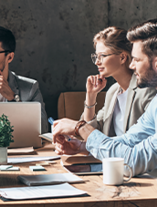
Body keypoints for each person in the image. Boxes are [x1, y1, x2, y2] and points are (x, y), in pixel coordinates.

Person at [53, 19, 157, 177]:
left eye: (136, 60)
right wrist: (83, 147)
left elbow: (134, 160)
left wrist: (81, 128)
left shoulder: (148, 94)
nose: (131, 65)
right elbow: (129, 140)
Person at [82, 27, 157, 136]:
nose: (97, 62)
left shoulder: (147, 91)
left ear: (122, 57)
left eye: (102, 56)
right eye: (96, 56)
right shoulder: (113, 91)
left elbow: (147, 143)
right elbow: (92, 131)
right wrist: (91, 96)